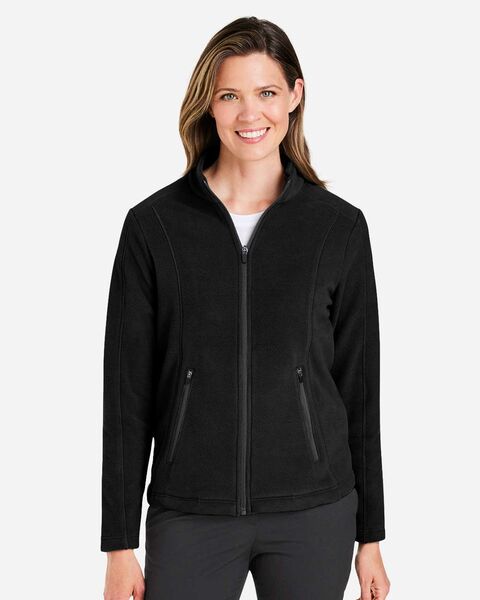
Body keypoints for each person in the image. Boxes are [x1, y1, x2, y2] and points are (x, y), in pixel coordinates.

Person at [101, 16, 391, 600]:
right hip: (191, 512)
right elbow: (126, 393)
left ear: (295, 96)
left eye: (266, 92)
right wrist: (118, 544)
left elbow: (360, 388)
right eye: (230, 95)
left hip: (315, 513)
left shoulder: (337, 228)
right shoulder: (154, 227)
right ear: (209, 104)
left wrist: (371, 538)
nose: (249, 114)